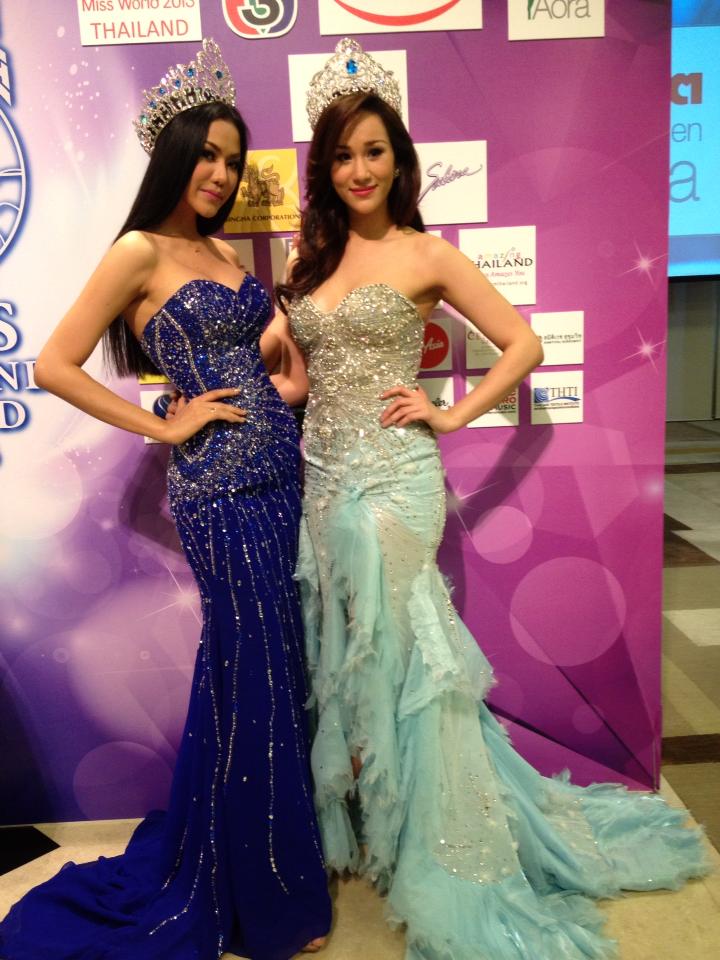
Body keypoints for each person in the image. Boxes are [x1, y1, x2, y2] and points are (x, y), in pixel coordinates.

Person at [276, 38, 711, 960]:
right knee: (348, 655)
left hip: (395, 481)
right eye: (343, 155)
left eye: (374, 151)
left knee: (408, 657)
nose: (359, 170)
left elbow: (524, 344)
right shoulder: (312, 261)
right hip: (323, 478)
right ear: (327, 170)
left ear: (399, 159)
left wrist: (451, 412)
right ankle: (383, 819)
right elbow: (308, 379)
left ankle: (444, 843)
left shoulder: (428, 253)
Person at [0, 39, 330, 960]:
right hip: (218, 486)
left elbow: (273, 371)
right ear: (176, 157)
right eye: (208, 156)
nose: (221, 174)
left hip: (279, 473)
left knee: (265, 668)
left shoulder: (221, 250)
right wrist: (166, 425)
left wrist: (285, 378)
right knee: (252, 668)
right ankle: (258, 894)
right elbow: (53, 363)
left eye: (233, 159)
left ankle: (255, 862)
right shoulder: (138, 250)